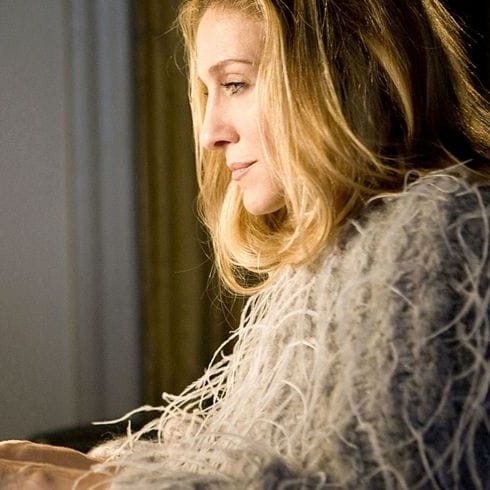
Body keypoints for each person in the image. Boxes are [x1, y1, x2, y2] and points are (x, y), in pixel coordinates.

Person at [1, 0, 490, 488]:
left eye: (235, 84)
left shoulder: (438, 228)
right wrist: (100, 472)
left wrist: (93, 486)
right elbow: (265, 454)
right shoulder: (326, 251)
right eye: (206, 91)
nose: (210, 134)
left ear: (343, 76)